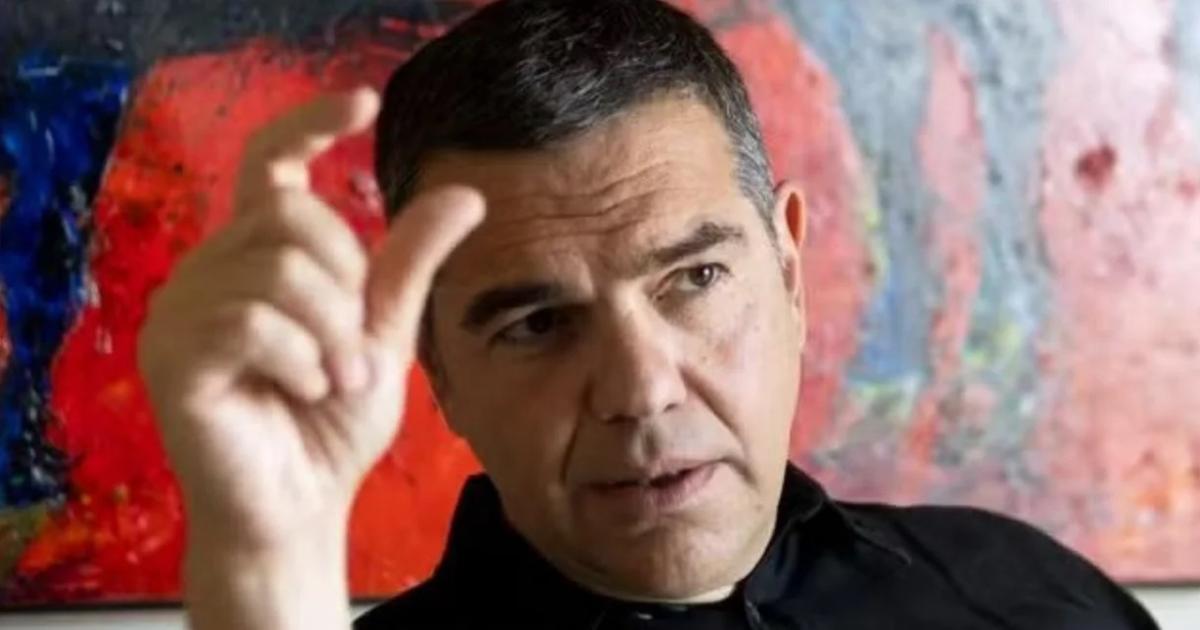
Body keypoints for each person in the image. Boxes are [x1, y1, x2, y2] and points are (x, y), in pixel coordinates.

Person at [137, 1, 1161, 628]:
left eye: (695, 278)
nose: (640, 390)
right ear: (438, 368)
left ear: (789, 269)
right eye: (538, 324)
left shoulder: (1027, 594)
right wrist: (264, 556)